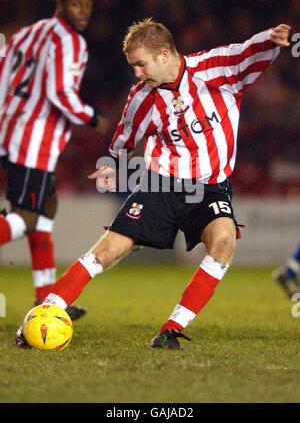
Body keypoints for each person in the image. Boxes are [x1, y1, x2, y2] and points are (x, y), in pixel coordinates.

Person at [20, 18, 291, 350]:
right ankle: (44, 313)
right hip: (160, 184)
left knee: (223, 243)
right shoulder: (141, 98)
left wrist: (270, 37)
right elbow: (122, 139)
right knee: (108, 250)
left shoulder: (215, 69)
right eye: (133, 66)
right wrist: (113, 166)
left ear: (164, 55)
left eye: (140, 64)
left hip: (209, 189)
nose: (137, 73)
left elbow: (246, 52)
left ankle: (171, 329)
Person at [0, 0, 107, 321]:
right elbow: (60, 94)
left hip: (10, 129)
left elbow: (3, 74)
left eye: (88, 6)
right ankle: (44, 295)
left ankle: (45, 297)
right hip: (34, 140)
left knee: (46, 207)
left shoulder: (30, 32)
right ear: (61, 4)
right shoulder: (70, 42)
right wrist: (94, 119)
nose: (84, 12)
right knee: (28, 216)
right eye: (77, 4)